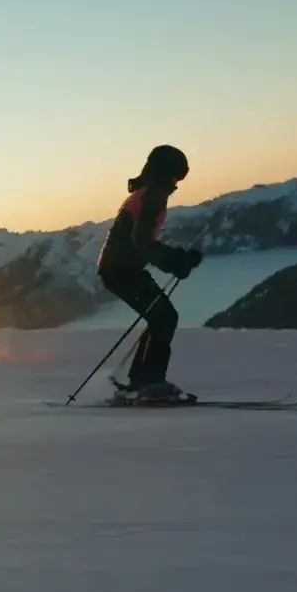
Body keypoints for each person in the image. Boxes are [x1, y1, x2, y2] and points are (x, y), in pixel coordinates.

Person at [95, 144, 203, 402]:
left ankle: (142, 380)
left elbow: (139, 242)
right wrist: (176, 261)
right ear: (166, 172)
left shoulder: (144, 192)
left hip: (119, 268)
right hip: (122, 270)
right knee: (164, 318)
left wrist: (176, 259)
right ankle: (149, 382)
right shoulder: (153, 195)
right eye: (176, 176)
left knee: (161, 318)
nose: (176, 183)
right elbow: (141, 240)